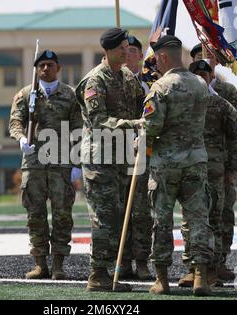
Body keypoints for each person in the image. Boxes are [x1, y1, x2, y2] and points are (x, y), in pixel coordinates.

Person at [143, 35, 214, 296]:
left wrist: (142, 141)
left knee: (161, 221)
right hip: (196, 161)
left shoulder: (161, 87)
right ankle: (200, 278)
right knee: (197, 220)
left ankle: (162, 280)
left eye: (155, 59)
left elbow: (151, 127)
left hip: (166, 165)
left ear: (163, 56)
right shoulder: (200, 84)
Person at [76, 28, 144, 292]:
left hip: (122, 157)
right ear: (109, 50)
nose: (127, 51)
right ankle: (98, 274)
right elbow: (98, 121)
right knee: (104, 218)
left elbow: (142, 104)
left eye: (128, 47)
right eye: (122, 48)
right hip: (100, 159)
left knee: (116, 217)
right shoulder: (95, 81)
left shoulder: (128, 77)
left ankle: (112, 270)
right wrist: (133, 124)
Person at [9, 49, 83, 280]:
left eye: (50, 65)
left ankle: (59, 264)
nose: (46, 69)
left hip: (61, 163)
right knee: (35, 214)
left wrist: (77, 161)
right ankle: (40, 263)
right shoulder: (25, 94)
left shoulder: (70, 95)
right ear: (36, 69)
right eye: (41, 65)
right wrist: (21, 139)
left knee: (62, 214)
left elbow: (78, 129)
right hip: (33, 162)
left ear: (58, 68)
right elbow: (15, 122)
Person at [178, 60, 237, 287]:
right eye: (196, 74)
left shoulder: (222, 105)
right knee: (191, 220)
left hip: (215, 172)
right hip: (189, 171)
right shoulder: (183, 104)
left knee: (214, 219)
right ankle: (194, 269)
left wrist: (232, 168)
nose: (200, 78)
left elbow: (236, 138)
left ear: (210, 77)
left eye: (204, 74)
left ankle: (212, 270)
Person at [116, 34, 153, 280]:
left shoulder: (151, 86)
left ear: (141, 56)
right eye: (123, 50)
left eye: (132, 51)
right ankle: (122, 261)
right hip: (115, 155)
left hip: (142, 156)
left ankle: (141, 261)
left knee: (141, 212)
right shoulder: (109, 81)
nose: (126, 54)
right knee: (117, 210)